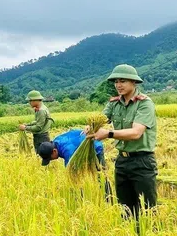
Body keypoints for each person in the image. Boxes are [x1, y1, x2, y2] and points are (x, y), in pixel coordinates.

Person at [88, 64, 157, 220]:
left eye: (123, 81)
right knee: (125, 208)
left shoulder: (145, 103)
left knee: (147, 210)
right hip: (122, 162)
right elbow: (102, 118)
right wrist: (91, 126)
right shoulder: (114, 103)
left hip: (142, 162)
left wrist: (109, 133)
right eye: (116, 81)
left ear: (134, 82)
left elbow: (136, 133)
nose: (118, 85)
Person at [38, 129, 106, 168]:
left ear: (54, 151)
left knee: (101, 174)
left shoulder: (68, 151)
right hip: (84, 147)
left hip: (95, 148)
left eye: (50, 158)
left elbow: (70, 169)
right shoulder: (56, 141)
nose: (51, 160)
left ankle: (107, 192)